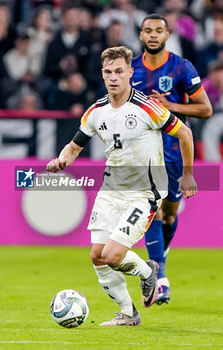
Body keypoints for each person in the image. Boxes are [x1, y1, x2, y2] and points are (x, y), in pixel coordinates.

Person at [46, 46, 197, 326]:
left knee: (113, 255)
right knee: (97, 256)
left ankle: (148, 270)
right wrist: (62, 160)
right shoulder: (96, 112)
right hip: (111, 190)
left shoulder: (147, 107)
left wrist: (187, 174)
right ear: (102, 75)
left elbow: (185, 133)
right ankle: (128, 314)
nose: (113, 77)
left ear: (130, 73)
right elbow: (75, 145)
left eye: (118, 71)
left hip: (144, 193)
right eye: (108, 72)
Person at [131, 13, 212, 304]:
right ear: (141, 35)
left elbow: (205, 109)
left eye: (158, 31)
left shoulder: (181, 67)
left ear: (167, 35)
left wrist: (170, 106)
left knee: (169, 214)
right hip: (142, 155)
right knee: (151, 210)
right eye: (147, 30)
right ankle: (159, 275)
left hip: (175, 154)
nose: (153, 35)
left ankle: (160, 267)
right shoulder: (129, 69)